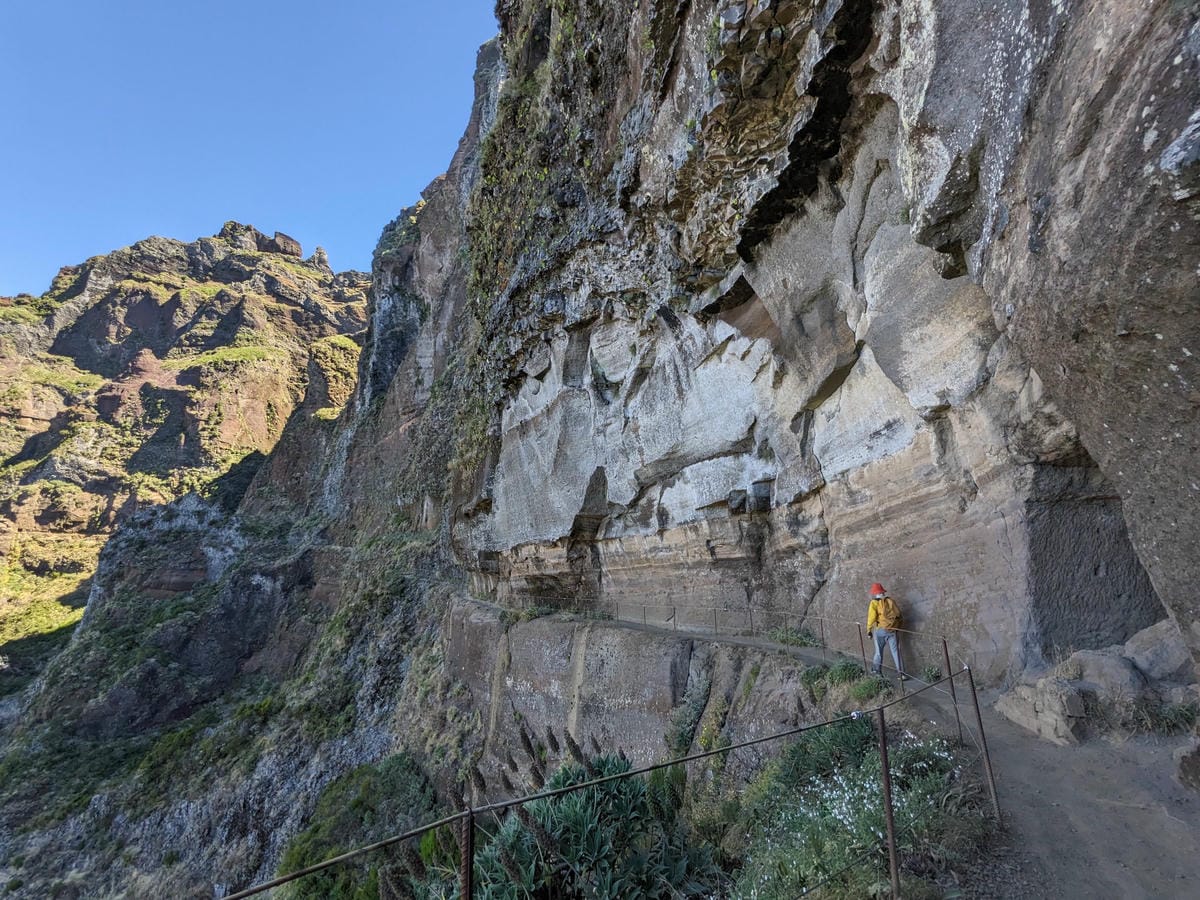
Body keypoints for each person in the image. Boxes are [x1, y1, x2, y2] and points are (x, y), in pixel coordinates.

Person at [866, 582, 907, 679]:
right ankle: (902, 674)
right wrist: (898, 627)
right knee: (896, 651)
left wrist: (868, 630)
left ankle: (877, 671)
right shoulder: (891, 601)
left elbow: (871, 618)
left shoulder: (874, 603)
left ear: (875, 593)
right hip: (893, 629)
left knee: (879, 652)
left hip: (881, 630)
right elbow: (899, 615)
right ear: (883, 592)